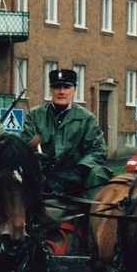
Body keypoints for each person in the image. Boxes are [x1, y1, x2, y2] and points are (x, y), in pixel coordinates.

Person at [20, 69, 111, 253]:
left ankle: (92, 232)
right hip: (42, 181)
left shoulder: (86, 119)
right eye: (57, 87)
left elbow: (98, 149)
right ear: (51, 90)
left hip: (75, 184)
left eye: (66, 87)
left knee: (98, 173)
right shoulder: (35, 115)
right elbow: (25, 146)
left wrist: (80, 171)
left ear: (74, 90)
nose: (61, 92)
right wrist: (37, 163)